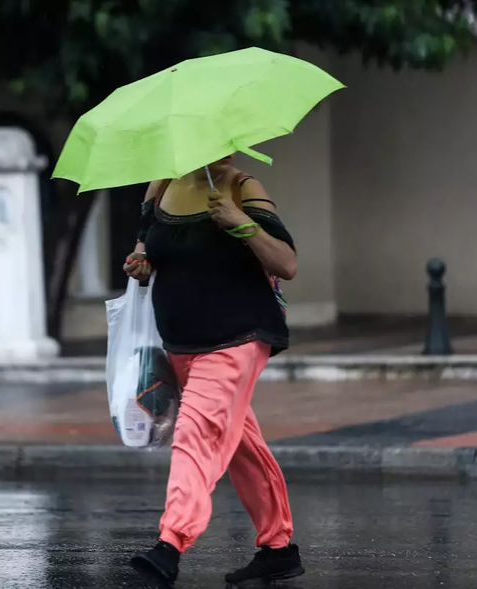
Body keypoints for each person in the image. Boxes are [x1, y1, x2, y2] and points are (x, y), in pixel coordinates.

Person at [125, 155, 303, 587]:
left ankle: (171, 543)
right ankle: (279, 548)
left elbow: (287, 264)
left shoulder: (243, 187)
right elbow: (147, 245)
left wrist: (241, 223)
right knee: (240, 444)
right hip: (182, 344)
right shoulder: (161, 185)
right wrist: (140, 262)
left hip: (237, 337)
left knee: (195, 432)